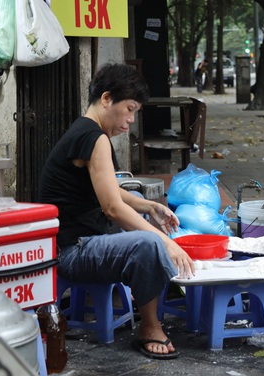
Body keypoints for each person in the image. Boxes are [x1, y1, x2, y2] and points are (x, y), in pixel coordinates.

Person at [39, 63, 195, 360]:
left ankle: (142, 294)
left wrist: (150, 206)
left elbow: (110, 189)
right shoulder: (94, 138)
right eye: (129, 110)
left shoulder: (85, 131)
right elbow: (111, 207)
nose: (130, 122)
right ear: (107, 99)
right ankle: (150, 327)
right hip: (72, 251)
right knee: (148, 243)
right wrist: (165, 240)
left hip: (73, 243)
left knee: (142, 215)